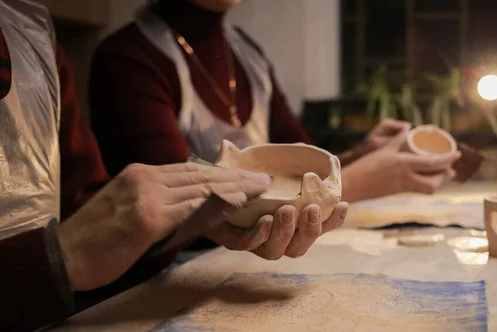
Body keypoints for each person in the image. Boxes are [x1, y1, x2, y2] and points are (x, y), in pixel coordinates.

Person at [0, 0, 345, 332]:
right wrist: (60, 256)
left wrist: (196, 221)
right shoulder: (127, 57)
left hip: (60, 326)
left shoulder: (31, 32)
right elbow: (94, 236)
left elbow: (92, 216)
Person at [89, 0, 462, 209]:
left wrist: (360, 154)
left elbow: (296, 160)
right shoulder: (128, 60)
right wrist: (362, 181)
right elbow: (176, 212)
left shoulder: (247, 55)